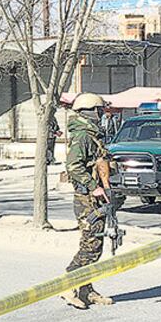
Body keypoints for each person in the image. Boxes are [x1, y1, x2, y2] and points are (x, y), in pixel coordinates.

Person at [61, 93, 114, 308]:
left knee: (96, 243)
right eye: (99, 111)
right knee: (90, 245)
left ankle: (86, 289)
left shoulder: (92, 135)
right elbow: (73, 166)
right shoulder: (83, 135)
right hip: (86, 198)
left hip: (94, 197)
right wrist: (94, 187)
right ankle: (68, 284)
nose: (101, 115)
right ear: (90, 112)